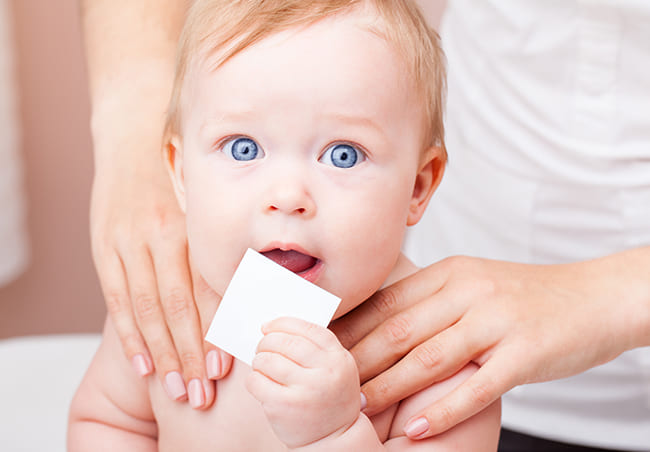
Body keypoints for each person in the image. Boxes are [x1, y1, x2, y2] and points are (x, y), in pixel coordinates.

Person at [80, 0, 650, 449]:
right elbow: (108, 419)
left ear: (418, 187)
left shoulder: (436, 362)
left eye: (343, 155)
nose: (287, 196)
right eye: (243, 147)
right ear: (178, 170)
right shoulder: (171, 302)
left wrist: (332, 435)